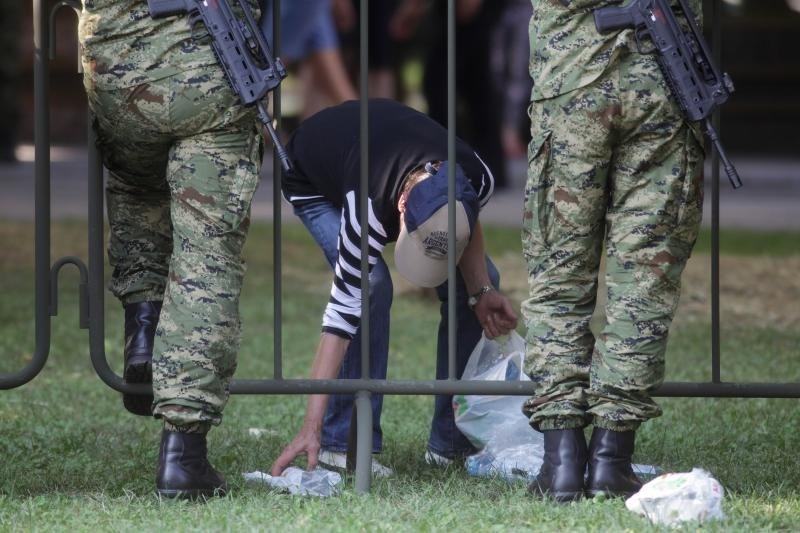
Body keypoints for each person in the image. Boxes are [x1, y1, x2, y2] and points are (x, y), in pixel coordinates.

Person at [271, 98, 518, 476]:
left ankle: (451, 443)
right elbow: (340, 317)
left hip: (381, 149)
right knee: (371, 286)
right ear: (402, 206)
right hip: (315, 175)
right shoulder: (367, 207)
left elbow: (470, 224)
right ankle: (343, 445)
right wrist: (310, 427)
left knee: (481, 285)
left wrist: (482, 291)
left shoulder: (476, 177)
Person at [78, 0, 263, 499]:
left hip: (114, 65)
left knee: (137, 189)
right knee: (207, 258)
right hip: (206, 61)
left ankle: (143, 329)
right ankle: (184, 455)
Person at [521, 0, 705, 502]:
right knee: (646, 279)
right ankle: (610, 461)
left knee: (559, 275)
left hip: (573, 79)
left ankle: (561, 464)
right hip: (663, 80)